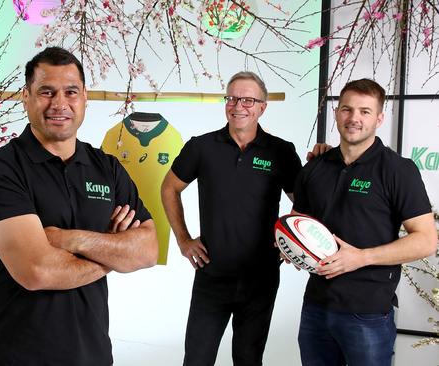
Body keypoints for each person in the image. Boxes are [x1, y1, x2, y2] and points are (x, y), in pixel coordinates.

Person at [0, 47, 158, 366]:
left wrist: (69, 239)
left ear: (84, 97)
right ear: (26, 97)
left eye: (70, 91)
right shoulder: (3, 170)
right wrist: (113, 255)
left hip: (93, 355)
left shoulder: (107, 168)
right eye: (46, 91)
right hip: (20, 357)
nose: (59, 103)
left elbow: (148, 250)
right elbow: (37, 271)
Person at [161, 71, 303, 366]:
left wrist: (291, 241)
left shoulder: (281, 151)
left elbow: (303, 202)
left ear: (262, 107)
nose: (239, 106)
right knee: (197, 359)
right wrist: (184, 240)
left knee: (248, 359)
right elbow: (169, 187)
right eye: (232, 98)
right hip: (212, 276)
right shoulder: (202, 147)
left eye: (248, 100)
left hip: (260, 279)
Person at [292, 78, 437, 366]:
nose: (354, 118)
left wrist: (361, 257)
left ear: (379, 118)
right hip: (316, 309)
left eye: (365, 111)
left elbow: (426, 240)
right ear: (336, 113)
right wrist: (293, 249)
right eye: (346, 109)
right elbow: (300, 224)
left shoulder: (398, 170)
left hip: (368, 313)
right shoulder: (316, 167)